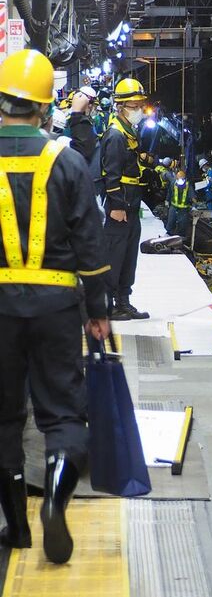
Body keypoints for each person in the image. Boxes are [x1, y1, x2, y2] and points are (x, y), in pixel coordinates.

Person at [0, 49, 111, 565]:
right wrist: (99, 307)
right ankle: (56, 503)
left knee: (4, 419)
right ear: (45, 109)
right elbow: (90, 243)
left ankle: (17, 527)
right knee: (63, 414)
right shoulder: (66, 161)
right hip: (57, 306)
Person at [101, 77, 151, 320]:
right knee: (115, 255)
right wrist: (116, 206)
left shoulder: (129, 133)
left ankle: (124, 301)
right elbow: (110, 175)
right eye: (134, 106)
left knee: (129, 256)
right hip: (120, 207)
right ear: (120, 107)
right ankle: (109, 305)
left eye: (140, 104)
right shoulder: (115, 136)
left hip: (132, 205)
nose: (139, 110)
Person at [165, 170, 194, 238]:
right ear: (176, 178)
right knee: (171, 221)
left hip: (184, 209)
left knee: (183, 223)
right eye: (178, 178)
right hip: (174, 207)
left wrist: (194, 205)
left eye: (182, 179)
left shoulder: (188, 185)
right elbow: (169, 193)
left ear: (185, 178)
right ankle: (168, 234)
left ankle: (181, 237)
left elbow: (192, 195)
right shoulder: (173, 183)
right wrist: (167, 200)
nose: (180, 180)